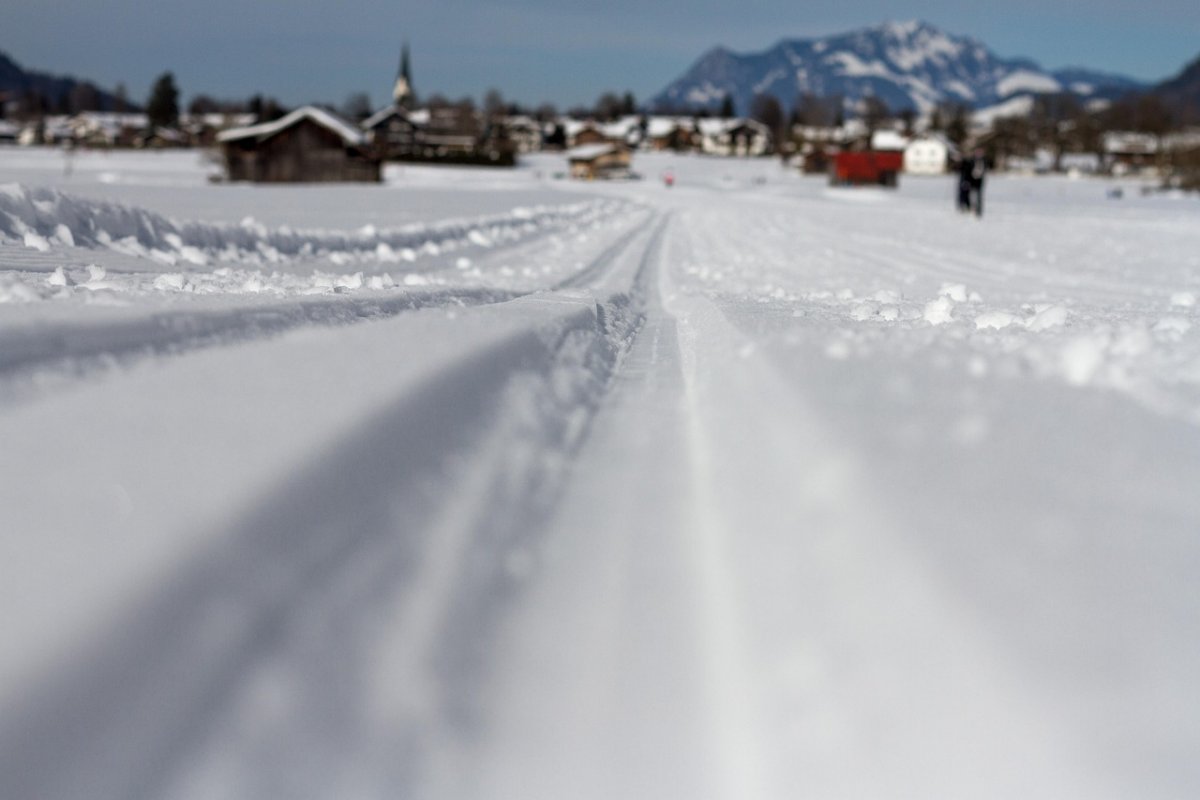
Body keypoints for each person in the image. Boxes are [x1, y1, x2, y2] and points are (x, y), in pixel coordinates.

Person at [968, 148, 987, 218]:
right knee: (972, 195)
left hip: (980, 180)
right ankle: (972, 208)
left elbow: (984, 170)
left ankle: (979, 210)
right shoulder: (972, 161)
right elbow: (968, 170)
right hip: (972, 180)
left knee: (979, 196)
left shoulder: (984, 161)